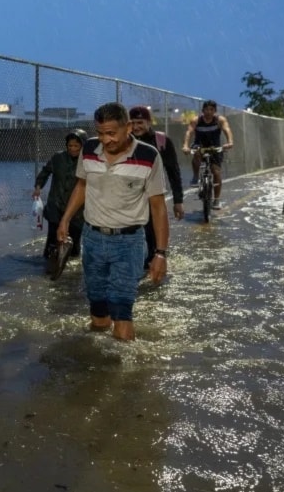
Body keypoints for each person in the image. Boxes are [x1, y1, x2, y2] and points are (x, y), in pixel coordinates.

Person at [57, 102, 169, 341]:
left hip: (129, 244)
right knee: (98, 311)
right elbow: (82, 185)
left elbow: (158, 206)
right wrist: (64, 220)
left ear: (127, 127)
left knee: (121, 310)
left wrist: (160, 253)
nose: (105, 140)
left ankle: (124, 374)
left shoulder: (148, 156)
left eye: (111, 133)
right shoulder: (88, 149)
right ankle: (97, 367)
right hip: (93, 239)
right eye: (100, 133)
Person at [128, 106, 185, 269]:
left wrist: (178, 201)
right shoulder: (125, 140)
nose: (136, 127)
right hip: (129, 196)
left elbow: (173, 171)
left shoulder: (162, 141)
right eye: (132, 123)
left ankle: (152, 265)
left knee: (151, 233)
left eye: (140, 122)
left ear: (149, 122)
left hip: (152, 197)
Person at [32, 130, 86, 265]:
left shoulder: (87, 161)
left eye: (76, 146)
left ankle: (72, 271)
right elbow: (45, 172)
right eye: (70, 146)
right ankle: (48, 265)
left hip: (76, 210)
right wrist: (38, 187)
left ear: (83, 146)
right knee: (52, 239)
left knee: (74, 241)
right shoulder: (58, 158)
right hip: (55, 205)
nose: (72, 149)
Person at [182, 100, 234, 209]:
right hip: (199, 146)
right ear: (202, 110)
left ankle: (216, 200)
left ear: (215, 111)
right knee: (196, 153)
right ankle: (196, 176)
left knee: (216, 172)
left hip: (214, 147)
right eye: (206, 109)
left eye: (211, 110)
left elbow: (227, 129)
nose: (209, 112)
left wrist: (229, 142)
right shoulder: (196, 120)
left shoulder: (220, 120)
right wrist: (186, 146)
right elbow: (189, 132)